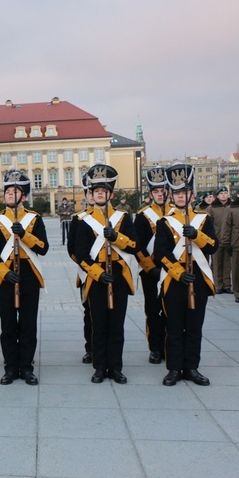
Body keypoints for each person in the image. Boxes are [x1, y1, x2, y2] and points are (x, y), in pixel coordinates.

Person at [154, 164, 217, 386]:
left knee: (194, 327)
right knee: (173, 327)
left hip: (198, 279)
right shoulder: (164, 222)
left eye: (185, 193)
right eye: (177, 193)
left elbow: (212, 247)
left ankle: (192, 367)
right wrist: (179, 272)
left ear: (192, 195)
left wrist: (197, 236)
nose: (181, 197)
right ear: (171, 195)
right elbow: (159, 253)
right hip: (174, 279)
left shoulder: (203, 219)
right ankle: (174, 369)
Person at [74, 164, 137, 384]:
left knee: (116, 325)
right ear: (90, 194)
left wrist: (116, 237)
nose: (100, 194)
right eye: (96, 191)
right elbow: (80, 253)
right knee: (98, 324)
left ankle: (116, 367)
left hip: (118, 275)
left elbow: (134, 246)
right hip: (96, 277)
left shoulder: (123, 218)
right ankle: (100, 367)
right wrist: (97, 273)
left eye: (104, 190)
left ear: (111, 194)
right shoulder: (82, 221)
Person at [0, 170, 49, 385]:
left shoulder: (34, 219)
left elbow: (43, 247)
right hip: (6, 276)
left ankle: (26, 366)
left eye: (15, 191)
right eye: (8, 191)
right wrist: (4, 272)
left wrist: (24, 234)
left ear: (24, 196)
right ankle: (10, 367)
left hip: (28, 275)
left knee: (28, 324)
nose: (10, 194)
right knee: (8, 324)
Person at [134, 167, 169, 364]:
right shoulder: (142, 216)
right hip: (150, 271)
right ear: (151, 194)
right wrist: (150, 267)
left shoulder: (175, 214)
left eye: (163, 191)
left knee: (171, 310)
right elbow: (138, 246)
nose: (160, 194)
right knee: (153, 310)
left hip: (171, 270)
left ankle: (168, 345)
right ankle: (155, 347)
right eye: (156, 191)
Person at [68, 175, 94, 363]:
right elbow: (72, 248)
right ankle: (91, 348)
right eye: (90, 192)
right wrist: (87, 266)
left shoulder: (115, 217)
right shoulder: (79, 219)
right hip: (87, 272)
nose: (93, 196)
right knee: (89, 312)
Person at [221, 184, 239, 303]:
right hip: (236, 243)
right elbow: (226, 227)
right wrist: (226, 243)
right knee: (236, 270)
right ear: (238, 195)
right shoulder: (231, 209)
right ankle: (238, 293)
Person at [208, 187, 231, 293]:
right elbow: (208, 224)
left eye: (225, 193)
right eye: (221, 193)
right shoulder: (212, 208)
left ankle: (227, 285)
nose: (223, 195)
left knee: (227, 264)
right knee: (217, 263)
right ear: (217, 196)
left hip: (228, 239)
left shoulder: (232, 206)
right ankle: (218, 285)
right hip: (216, 239)